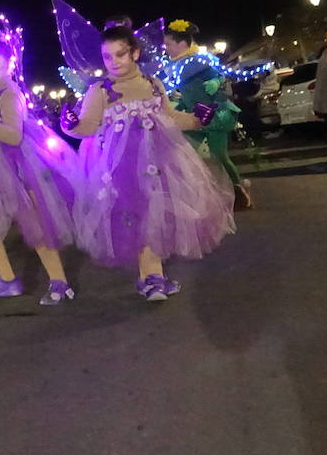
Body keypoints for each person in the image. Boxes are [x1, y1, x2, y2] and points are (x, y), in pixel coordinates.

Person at [62, 20, 235, 301]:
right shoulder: (100, 90)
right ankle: (152, 278)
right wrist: (68, 125)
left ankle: (152, 277)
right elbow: (87, 127)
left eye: (120, 54)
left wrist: (195, 119)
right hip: (121, 167)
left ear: (134, 53)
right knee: (138, 215)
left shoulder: (152, 84)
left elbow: (170, 117)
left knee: (155, 215)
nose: (113, 62)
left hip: (160, 159)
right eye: (108, 56)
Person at [0, 36, 79, 306]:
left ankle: (57, 282)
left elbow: (13, 136)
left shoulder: (9, 93)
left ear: (3, 63)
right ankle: (7, 278)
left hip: (17, 170)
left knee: (34, 224)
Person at [161, 20, 253, 209]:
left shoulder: (198, 60)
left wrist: (216, 82)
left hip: (215, 114)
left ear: (181, 43)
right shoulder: (176, 65)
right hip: (195, 115)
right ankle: (195, 193)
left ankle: (239, 191)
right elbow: (185, 91)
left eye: (169, 44)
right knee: (182, 150)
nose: (166, 48)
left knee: (219, 155)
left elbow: (222, 73)